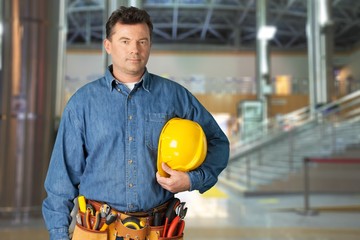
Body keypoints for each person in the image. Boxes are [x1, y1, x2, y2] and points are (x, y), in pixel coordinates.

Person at [42, 6, 229, 240]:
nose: (135, 50)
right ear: (108, 45)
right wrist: (59, 234)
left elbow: (218, 142)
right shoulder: (82, 103)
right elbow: (62, 179)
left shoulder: (175, 97)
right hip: (96, 230)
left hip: (159, 230)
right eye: (125, 41)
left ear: (150, 45)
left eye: (142, 41)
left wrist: (192, 179)